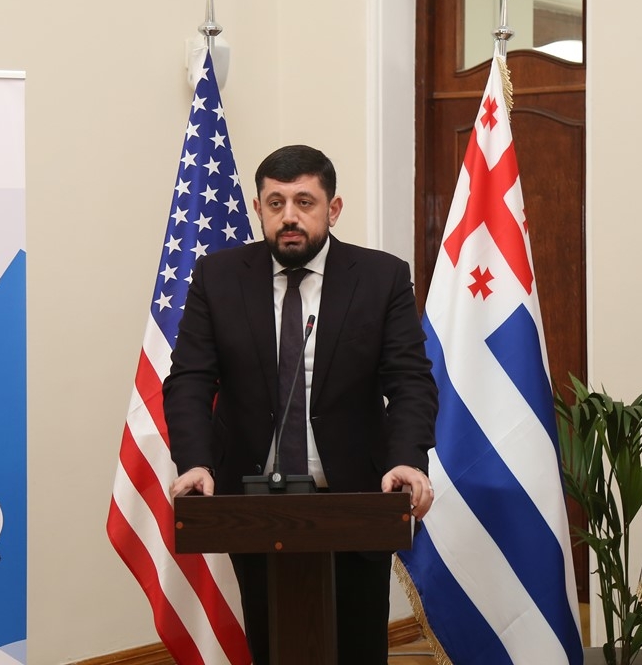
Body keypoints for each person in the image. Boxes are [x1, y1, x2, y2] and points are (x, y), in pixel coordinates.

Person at [164, 144, 438, 665]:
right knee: (272, 648)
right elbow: (190, 380)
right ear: (258, 208)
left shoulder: (380, 277)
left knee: (358, 651)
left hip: (356, 500)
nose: (289, 216)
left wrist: (407, 458)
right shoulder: (218, 277)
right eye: (275, 203)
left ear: (333, 209)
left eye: (304, 202)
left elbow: (410, 381)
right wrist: (195, 463)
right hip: (253, 506)